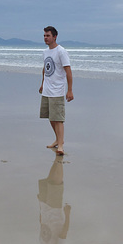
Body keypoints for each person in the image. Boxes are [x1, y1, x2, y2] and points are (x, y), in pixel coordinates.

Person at [39, 26, 73, 155]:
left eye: (48, 35)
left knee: (58, 118)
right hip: (47, 90)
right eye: (44, 36)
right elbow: (45, 69)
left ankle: (60, 145)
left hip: (57, 90)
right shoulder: (45, 52)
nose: (45, 38)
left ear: (55, 36)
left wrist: (69, 90)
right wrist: (42, 84)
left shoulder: (61, 51)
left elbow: (68, 71)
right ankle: (58, 140)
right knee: (51, 118)